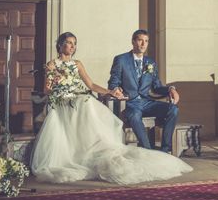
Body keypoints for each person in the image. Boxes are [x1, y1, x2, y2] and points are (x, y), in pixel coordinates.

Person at [30, 32, 192, 184]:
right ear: (60, 45)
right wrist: (61, 89)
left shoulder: (77, 64)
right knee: (84, 102)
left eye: (74, 44)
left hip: (86, 99)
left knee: (86, 101)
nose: (72, 47)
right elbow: (47, 89)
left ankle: (161, 149)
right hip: (62, 101)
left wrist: (110, 92)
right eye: (69, 43)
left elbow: (91, 84)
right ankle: (79, 153)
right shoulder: (52, 65)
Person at [108, 30, 179, 153]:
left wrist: (171, 89)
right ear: (133, 41)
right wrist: (116, 89)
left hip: (147, 103)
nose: (143, 44)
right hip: (130, 103)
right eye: (140, 40)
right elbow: (113, 83)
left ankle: (165, 150)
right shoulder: (121, 60)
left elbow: (157, 87)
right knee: (135, 116)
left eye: (146, 41)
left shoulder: (150, 62)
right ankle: (148, 152)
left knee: (173, 109)